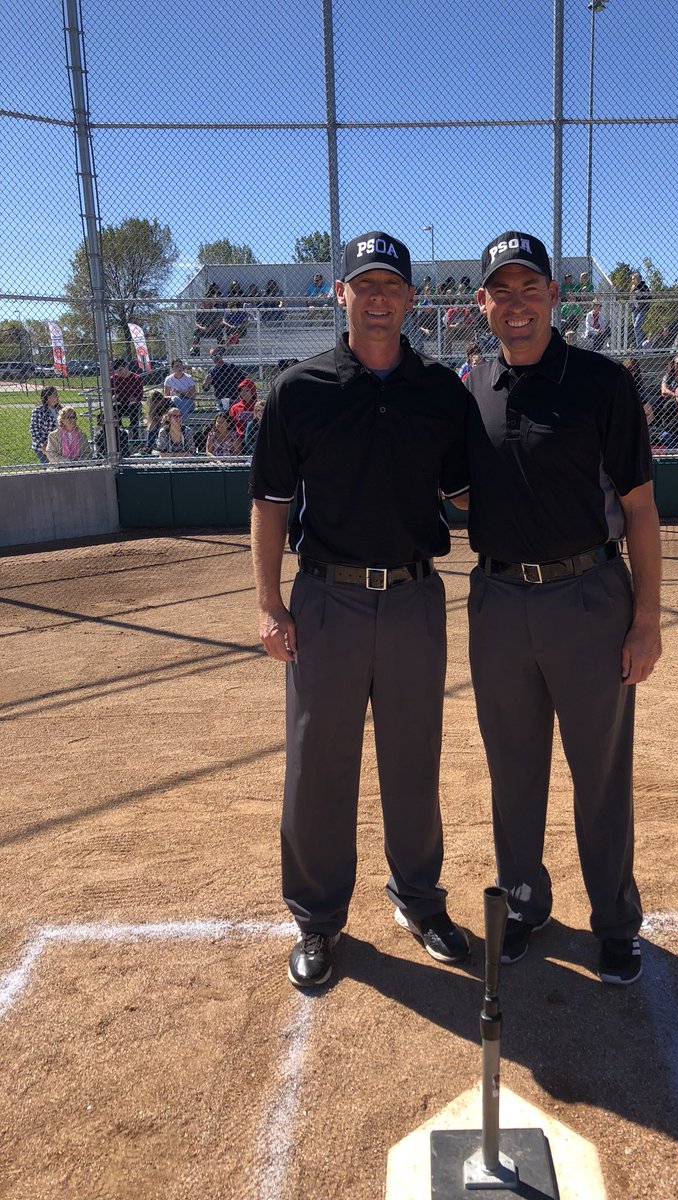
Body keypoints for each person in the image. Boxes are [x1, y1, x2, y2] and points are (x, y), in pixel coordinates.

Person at [249, 230, 470, 990]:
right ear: (339, 294)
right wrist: (270, 604)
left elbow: (472, 493)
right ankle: (317, 919)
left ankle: (418, 899)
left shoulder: (440, 392)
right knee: (318, 766)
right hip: (327, 598)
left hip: (413, 597)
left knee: (415, 759)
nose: (378, 298)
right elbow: (271, 504)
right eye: (363, 285)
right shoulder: (300, 389)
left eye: (391, 286)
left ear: (410, 299)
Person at [458, 231, 661, 985]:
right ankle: (522, 903)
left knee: (600, 772)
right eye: (501, 290)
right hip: (500, 597)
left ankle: (614, 921)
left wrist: (645, 619)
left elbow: (640, 508)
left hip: (589, 596)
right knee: (513, 768)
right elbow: (453, 487)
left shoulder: (603, 383)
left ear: (554, 296)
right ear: (483, 303)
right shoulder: (471, 387)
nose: (516, 303)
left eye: (529, 287)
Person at [202, 347, 244, 413]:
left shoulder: (230, 366)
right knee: (222, 415)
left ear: (221, 355)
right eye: (213, 356)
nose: (216, 357)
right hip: (220, 399)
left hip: (233, 397)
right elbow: (206, 389)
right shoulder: (211, 370)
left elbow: (242, 380)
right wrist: (206, 382)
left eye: (218, 355)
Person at [110, 358, 144, 433]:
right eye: (117, 371)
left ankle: (134, 432)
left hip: (132, 404)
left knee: (133, 405)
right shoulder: (113, 379)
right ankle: (119, 431)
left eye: (121, 370)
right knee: (116, 405)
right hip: (120, 403)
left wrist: (131, 398)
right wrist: (113, 397)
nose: (119, 373)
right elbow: (111, 394)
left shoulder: (136, 378)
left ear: (126, 366)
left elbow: (139, 396)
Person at [30, 385, 60, 464]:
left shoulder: (59, 409)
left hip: (57, 445)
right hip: (44, 445)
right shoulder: (39, 411)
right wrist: (42, 445)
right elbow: (34, 430)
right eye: (54, 395)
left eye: (56, 394)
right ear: (47, 397)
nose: (57, 397)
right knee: (49, 468)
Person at [629, 270, 650, 347]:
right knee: (636, 328)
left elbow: (649, 298)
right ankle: (640, 343)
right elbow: (631, 298)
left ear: (637, 279)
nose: (632, 280)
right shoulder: (633, 288)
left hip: (642, 309)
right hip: (634, 310)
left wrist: (640, 297)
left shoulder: (644, 287)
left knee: (636, 326)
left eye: (633, 279)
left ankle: (639, 347)